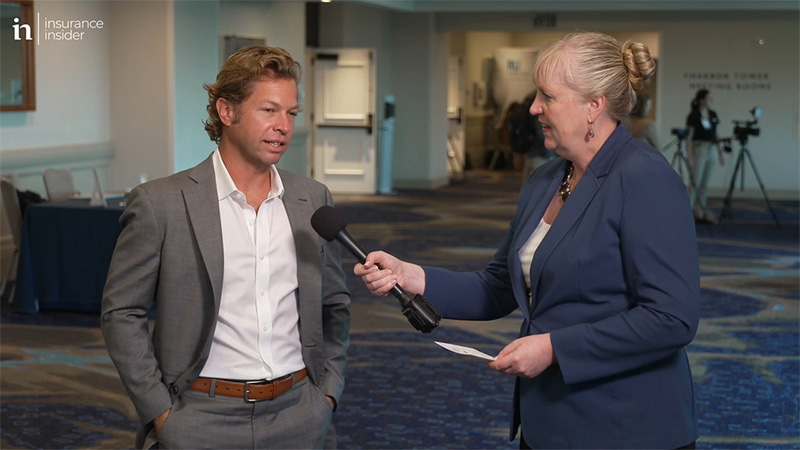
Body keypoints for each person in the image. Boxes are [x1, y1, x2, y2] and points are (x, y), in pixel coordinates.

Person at [355, 32, 699, 449]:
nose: (534, 107)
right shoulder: (546, 179)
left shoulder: (644, 178)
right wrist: (413, 276)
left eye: (547, 96)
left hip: (625, 425)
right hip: (549, 421)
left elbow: (672, 318)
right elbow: (500, 286)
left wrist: (555, 348)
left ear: (594, 106)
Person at [101, 46, 351, 449]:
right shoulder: (160, 203)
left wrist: (327, 394)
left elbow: (334, 303)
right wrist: (160, 413)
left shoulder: (312, 199)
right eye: (269, 111)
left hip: (300, 413)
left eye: (291, 113)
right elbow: (121, 312)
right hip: (198, 416)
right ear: (227, 111)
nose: (283, 126)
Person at [685, 88, 724, 223]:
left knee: (705, 183)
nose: (711, 101)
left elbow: (716, 134)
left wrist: (720, 152)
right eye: (709, 98)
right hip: (699, 148)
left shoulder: (713, 114)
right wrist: (689, 157)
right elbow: (688, 138)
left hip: (711, 148)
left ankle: (699, 213)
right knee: (695, 181)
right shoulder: (694, 115)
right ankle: (686, 213)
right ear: (702, 100)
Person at [510, 91, 549, 184]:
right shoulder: (542, 105)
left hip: (529, 152)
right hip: (541, 156)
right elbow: (541, 134)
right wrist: (550, 155)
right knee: (539, 190)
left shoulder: (529, 100)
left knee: (528, 189)